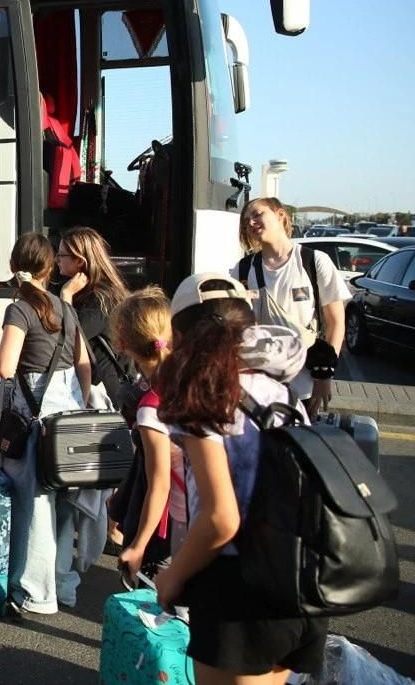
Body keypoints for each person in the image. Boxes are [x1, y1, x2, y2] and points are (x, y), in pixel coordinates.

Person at [153, 273, 325, 683]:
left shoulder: (206, 398)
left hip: (240, 589)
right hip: (298, 578)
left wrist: (173, 577)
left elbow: (221, 518)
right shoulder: (281, 392)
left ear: (183, 336)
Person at [0, 233, 91, 615]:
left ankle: (33, 593)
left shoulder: (20, 309)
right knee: (64, 507)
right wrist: (81, 403)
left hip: (35, 423)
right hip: (69, 417)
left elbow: (6, 368)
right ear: (49, 269)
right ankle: (63, 586)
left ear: (15, 265)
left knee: (33, 508)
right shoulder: (65, 308)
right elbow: (83, 363)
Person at [233, 198, 349, 415]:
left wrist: (324, 375)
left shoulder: (313, 261)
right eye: (246, 220)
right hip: (258, 389)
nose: (251, 222)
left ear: (280, 215)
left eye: (257, 214)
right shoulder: (243, 269)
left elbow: (336, 323)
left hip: (304, 386)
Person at [107, 286, 184, 580]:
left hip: (167, 528)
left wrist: (138, 546)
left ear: (122, 343)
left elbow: (160, 485)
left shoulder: (152, 407)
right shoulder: (193, 381)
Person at [56, 226, 130, 397]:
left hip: (101, 392)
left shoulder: (100, 298)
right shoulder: (86, 293)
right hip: (90, 386)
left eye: (61, 255)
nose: (56, 259)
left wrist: (66, 296)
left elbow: (67, 339)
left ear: (79, 261)